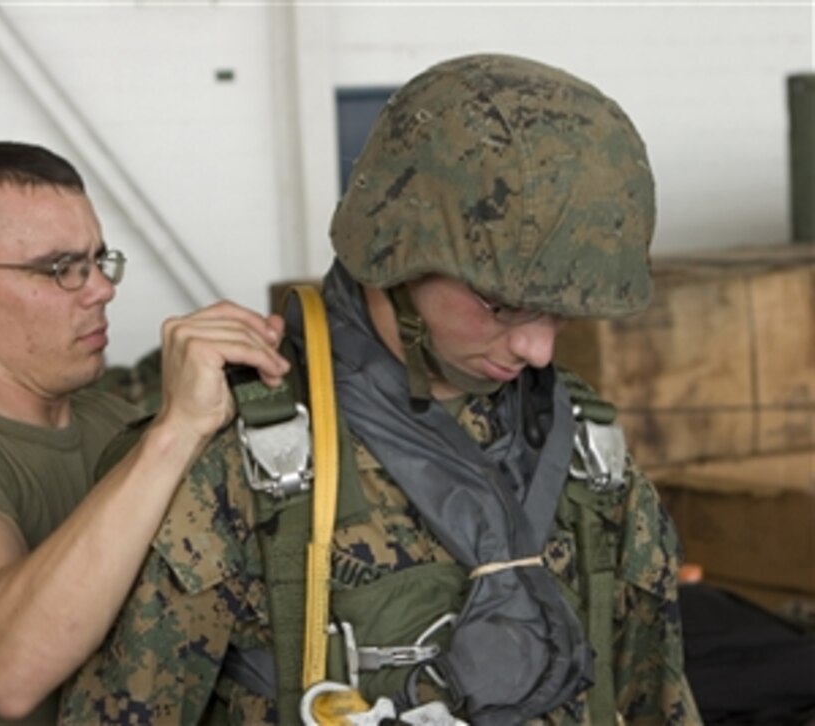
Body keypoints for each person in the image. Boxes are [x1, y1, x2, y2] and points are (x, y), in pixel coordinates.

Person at [59, 54, 702, 725]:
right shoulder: (246, 465)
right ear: (393, 253)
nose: (539, 349)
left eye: (561, 310)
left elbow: (653, 699)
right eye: (502, 306)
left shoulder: (583, 458)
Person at [0, 140, 290, 725]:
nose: (101, 289)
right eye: (61, 268)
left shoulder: (110, 423)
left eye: (98, 260)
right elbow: (2, 669)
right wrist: (176, 430)